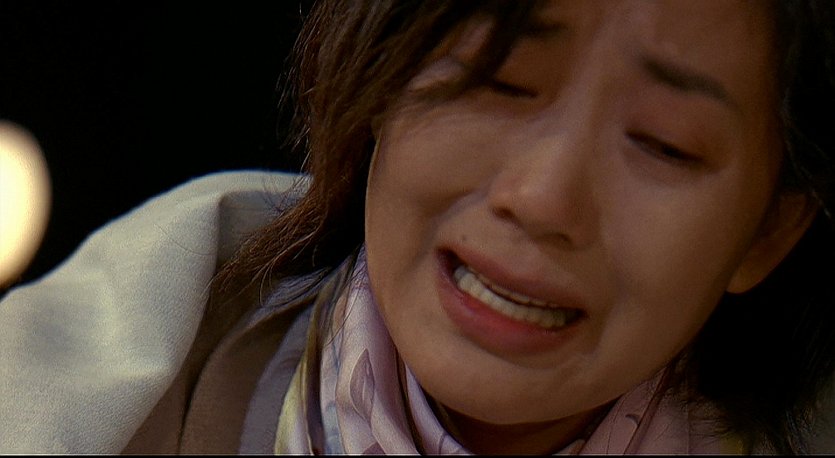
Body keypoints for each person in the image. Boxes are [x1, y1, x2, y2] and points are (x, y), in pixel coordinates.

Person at [2, 0, 835, 454]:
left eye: (663, 144)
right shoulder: (162, 332)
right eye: (498, 79)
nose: (541, 199)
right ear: (381, 75)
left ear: (768, 229)